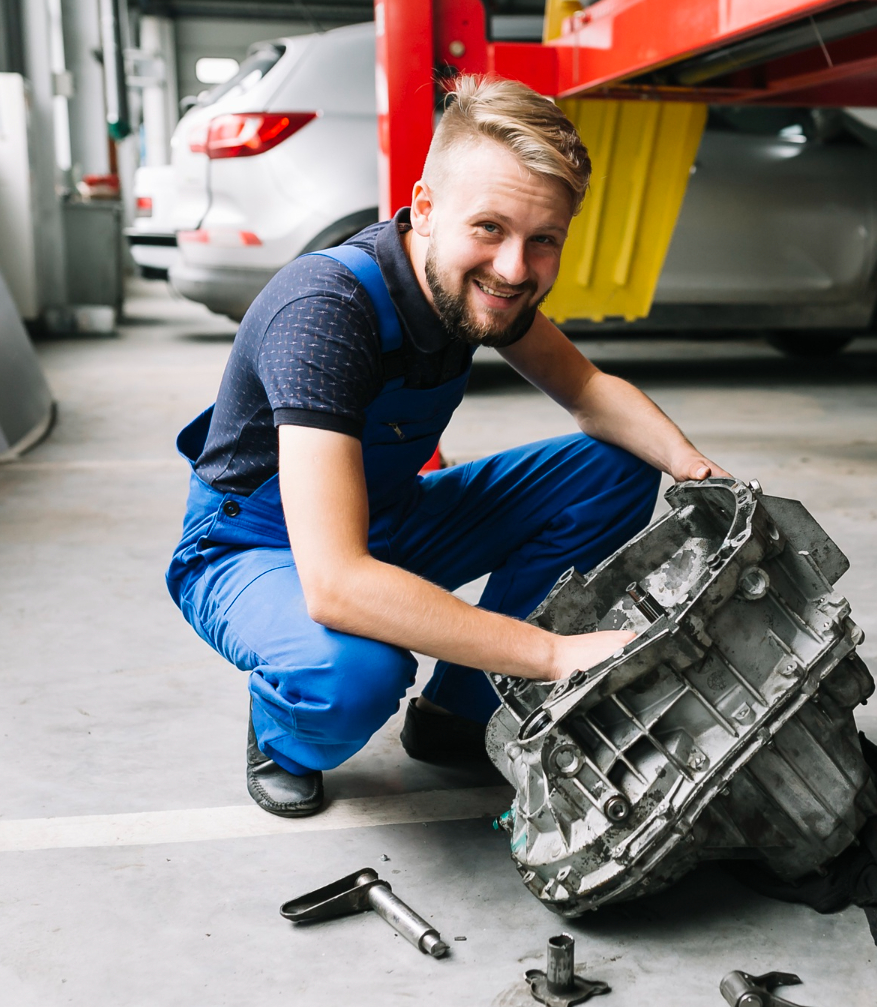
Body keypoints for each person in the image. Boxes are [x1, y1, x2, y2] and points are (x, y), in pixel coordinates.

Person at [166, 76, 729, 817]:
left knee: (613, 468)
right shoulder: (326, 312)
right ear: (425, 209)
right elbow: (334, 580)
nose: (515, 268)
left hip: (385, 518)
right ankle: (283, 730)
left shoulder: (488, 290)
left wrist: (702, 472)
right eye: (489, 228)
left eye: (543, 240)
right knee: (353, 671)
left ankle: (461, 712)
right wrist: (556, 654)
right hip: (256, 548)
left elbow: (589, 391)